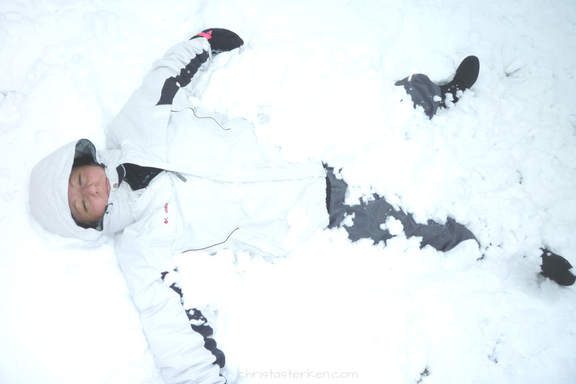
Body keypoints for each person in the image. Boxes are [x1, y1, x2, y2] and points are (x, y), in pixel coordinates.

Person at [28, 28, 575, 384]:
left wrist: (208, 41)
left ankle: (444, 94)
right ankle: (497, 249)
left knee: (387, 102)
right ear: (87, 223)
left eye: (80, 179)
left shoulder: (133, 122)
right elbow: (161, 317)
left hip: (297, 138)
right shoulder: (138, 247)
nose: (89, 191)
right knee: (406, 225)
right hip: (304, 207)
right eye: (80, 203)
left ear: (85, 160)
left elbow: (168, 72)